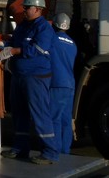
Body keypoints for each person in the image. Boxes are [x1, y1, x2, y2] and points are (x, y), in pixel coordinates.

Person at [0, 0, 59, 164]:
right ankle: (21, 148)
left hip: (36, 77)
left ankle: (50, 152)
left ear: (38, 9)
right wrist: (4, 45)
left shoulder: (44, 28)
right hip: (19, 76)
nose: (24, 11)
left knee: (40, 114)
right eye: (24, 8)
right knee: (19, 113)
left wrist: (12, 51)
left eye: (27, 8)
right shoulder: (23, 26)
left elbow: (37, 49)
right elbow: (16, 42)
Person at [50, 13, 77, 154]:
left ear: (54, 24)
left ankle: (54, 150)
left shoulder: (52, 40)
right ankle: (65, 150)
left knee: (54, 117)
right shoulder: (72, 43)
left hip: (57, 83)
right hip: (70, 84)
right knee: (66, 119)